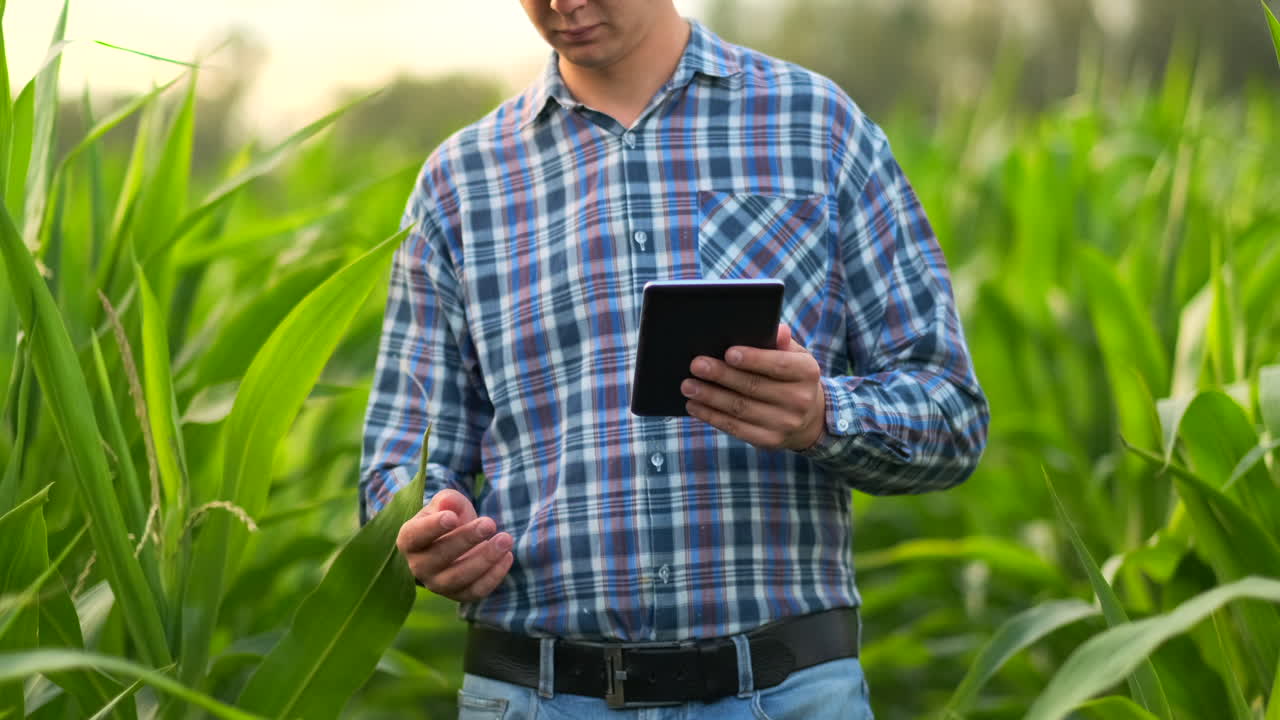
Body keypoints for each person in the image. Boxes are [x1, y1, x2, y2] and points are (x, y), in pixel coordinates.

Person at [359, 0, 989, 717]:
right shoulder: (457, 186)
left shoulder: (818, 129)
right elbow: (398, 466)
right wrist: (429, 528)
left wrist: (823, 416)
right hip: (540, 697)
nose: (564, 3)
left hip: (788, 693)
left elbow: (951, 411)